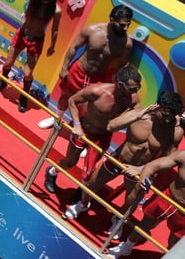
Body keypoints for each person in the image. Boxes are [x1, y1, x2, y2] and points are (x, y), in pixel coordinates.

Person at [67, 91, 183, 238]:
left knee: (131, 201)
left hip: (140, 169)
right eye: (164, 115)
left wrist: (141, 169)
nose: (166, 120)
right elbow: (110, 126)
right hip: (119, 159)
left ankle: (118, 219)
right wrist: (136, 117)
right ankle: (83, 205)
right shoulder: (138, 113)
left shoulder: (175, 132)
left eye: (170, 117)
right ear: (157, 106)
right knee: (91, 185)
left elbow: (167, 159)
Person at [46, 66, 142, 198]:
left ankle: (82, 192)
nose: (135, 91)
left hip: (103, 136)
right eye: (132, 88)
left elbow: (139, 115)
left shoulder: (132, 98)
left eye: (138, 88)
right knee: (70, 162)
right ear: (120, 84)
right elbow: (72, 100)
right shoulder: (97, 91)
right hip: (84, 131)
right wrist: (77, 125)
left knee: (89, 170)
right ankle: (51, 172)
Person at [38, 5, 134, 129]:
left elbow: (122, 65)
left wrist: (116, 84)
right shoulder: (92, 30)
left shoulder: (126, 43)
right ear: (112, 19)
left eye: (128, 25)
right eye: (122, 25)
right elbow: (74, 47)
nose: (125, 28)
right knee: (66, 94)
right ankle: (56, 118)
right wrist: (64, 67)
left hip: (99, 77)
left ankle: (80, 129)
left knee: (90, 104)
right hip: (79, 70)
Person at [0, 0, 62, 112]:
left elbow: (55, 29)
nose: (45, 0)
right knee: (8, 63)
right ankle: (3, 81)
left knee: (27, 73)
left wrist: (52, 46)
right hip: (22, 34)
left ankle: (24, 95)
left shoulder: (56, 10)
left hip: (36, 41)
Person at [106, 149, 185, 258]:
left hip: (183, 214)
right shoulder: (183, 155)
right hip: (166, 198)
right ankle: (127, 246)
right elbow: (153, 165)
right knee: (146, 224)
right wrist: (143, 179)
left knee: (175, 241)